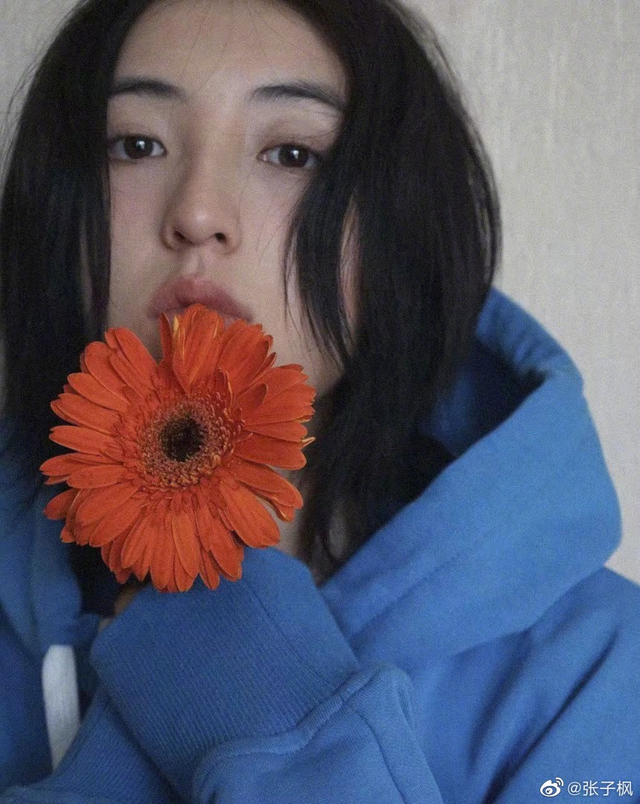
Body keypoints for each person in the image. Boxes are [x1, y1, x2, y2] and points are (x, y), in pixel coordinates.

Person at [0, 0, 638, 800]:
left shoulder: (597, 669)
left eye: (293, 153)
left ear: (400, 229)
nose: (197, 214)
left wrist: (259, 706)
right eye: (137, 145)